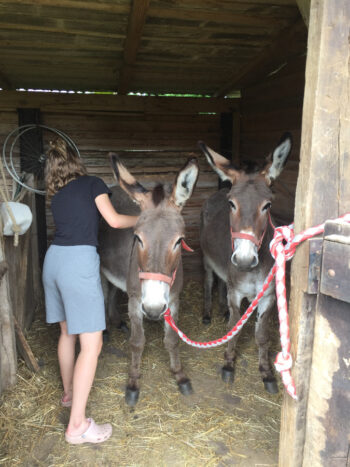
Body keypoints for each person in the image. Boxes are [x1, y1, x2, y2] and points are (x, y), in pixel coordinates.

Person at [42, 138, 138, 445]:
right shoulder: (92, 183)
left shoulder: (56, 196)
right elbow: (113, 219)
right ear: (76, 160)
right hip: (77, 264)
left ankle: (69, 395)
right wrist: (143, 218)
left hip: (53, 261)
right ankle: (77, 426)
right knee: (93, 344)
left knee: (67, 333)